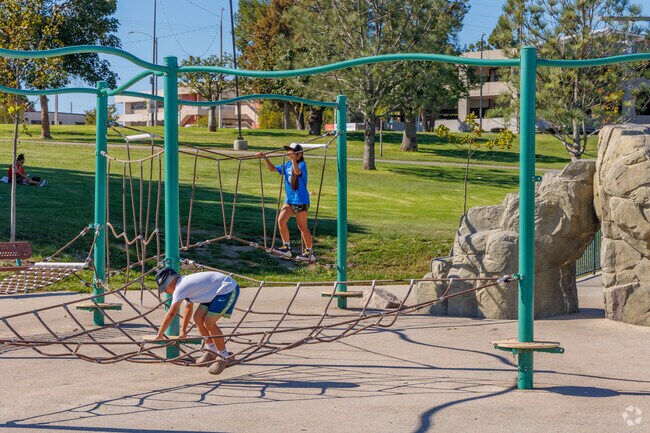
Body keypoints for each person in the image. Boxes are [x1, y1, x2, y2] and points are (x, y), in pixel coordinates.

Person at [154, 267, 240, 375]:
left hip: (227, 289)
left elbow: (171, 314)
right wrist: (183, 331)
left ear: (171, 281)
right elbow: (188, 309)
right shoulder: (184, 286)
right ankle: (211, 351)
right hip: (213, 292)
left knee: (209, 322)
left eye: (165, 288)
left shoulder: (181, 287)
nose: (165, 291)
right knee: (198, 318)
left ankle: (224, 356)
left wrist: (160, 335)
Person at [257, 143, 315, 262]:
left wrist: (293, 159)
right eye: (289, 152)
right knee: (281, 221)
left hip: (301, 200)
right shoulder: (288, 164)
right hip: (289, 200)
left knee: (302, 226)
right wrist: (265, 158)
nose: (289, 154)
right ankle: (287, 247)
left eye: (292, 152)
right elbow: (272, 169)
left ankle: (309, 252)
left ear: (300, 154)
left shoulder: (302, 164)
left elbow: (298, 172)